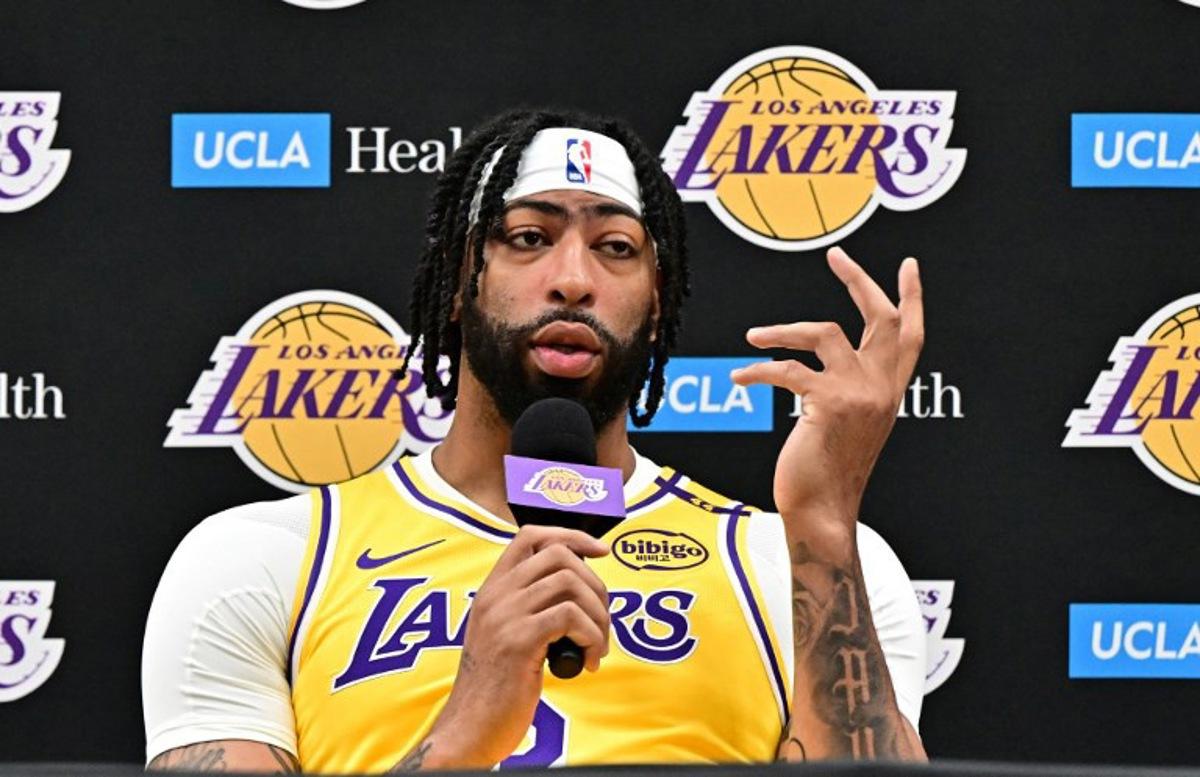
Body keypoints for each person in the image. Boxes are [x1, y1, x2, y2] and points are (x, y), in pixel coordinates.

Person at [142, 108, 928, 773]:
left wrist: (824, 521)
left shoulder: (787, 560)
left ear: (657, 302)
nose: (573, 279)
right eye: (528, 237)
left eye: (616, 247)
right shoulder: (265, 557)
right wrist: (465, 730)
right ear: (459, 281)